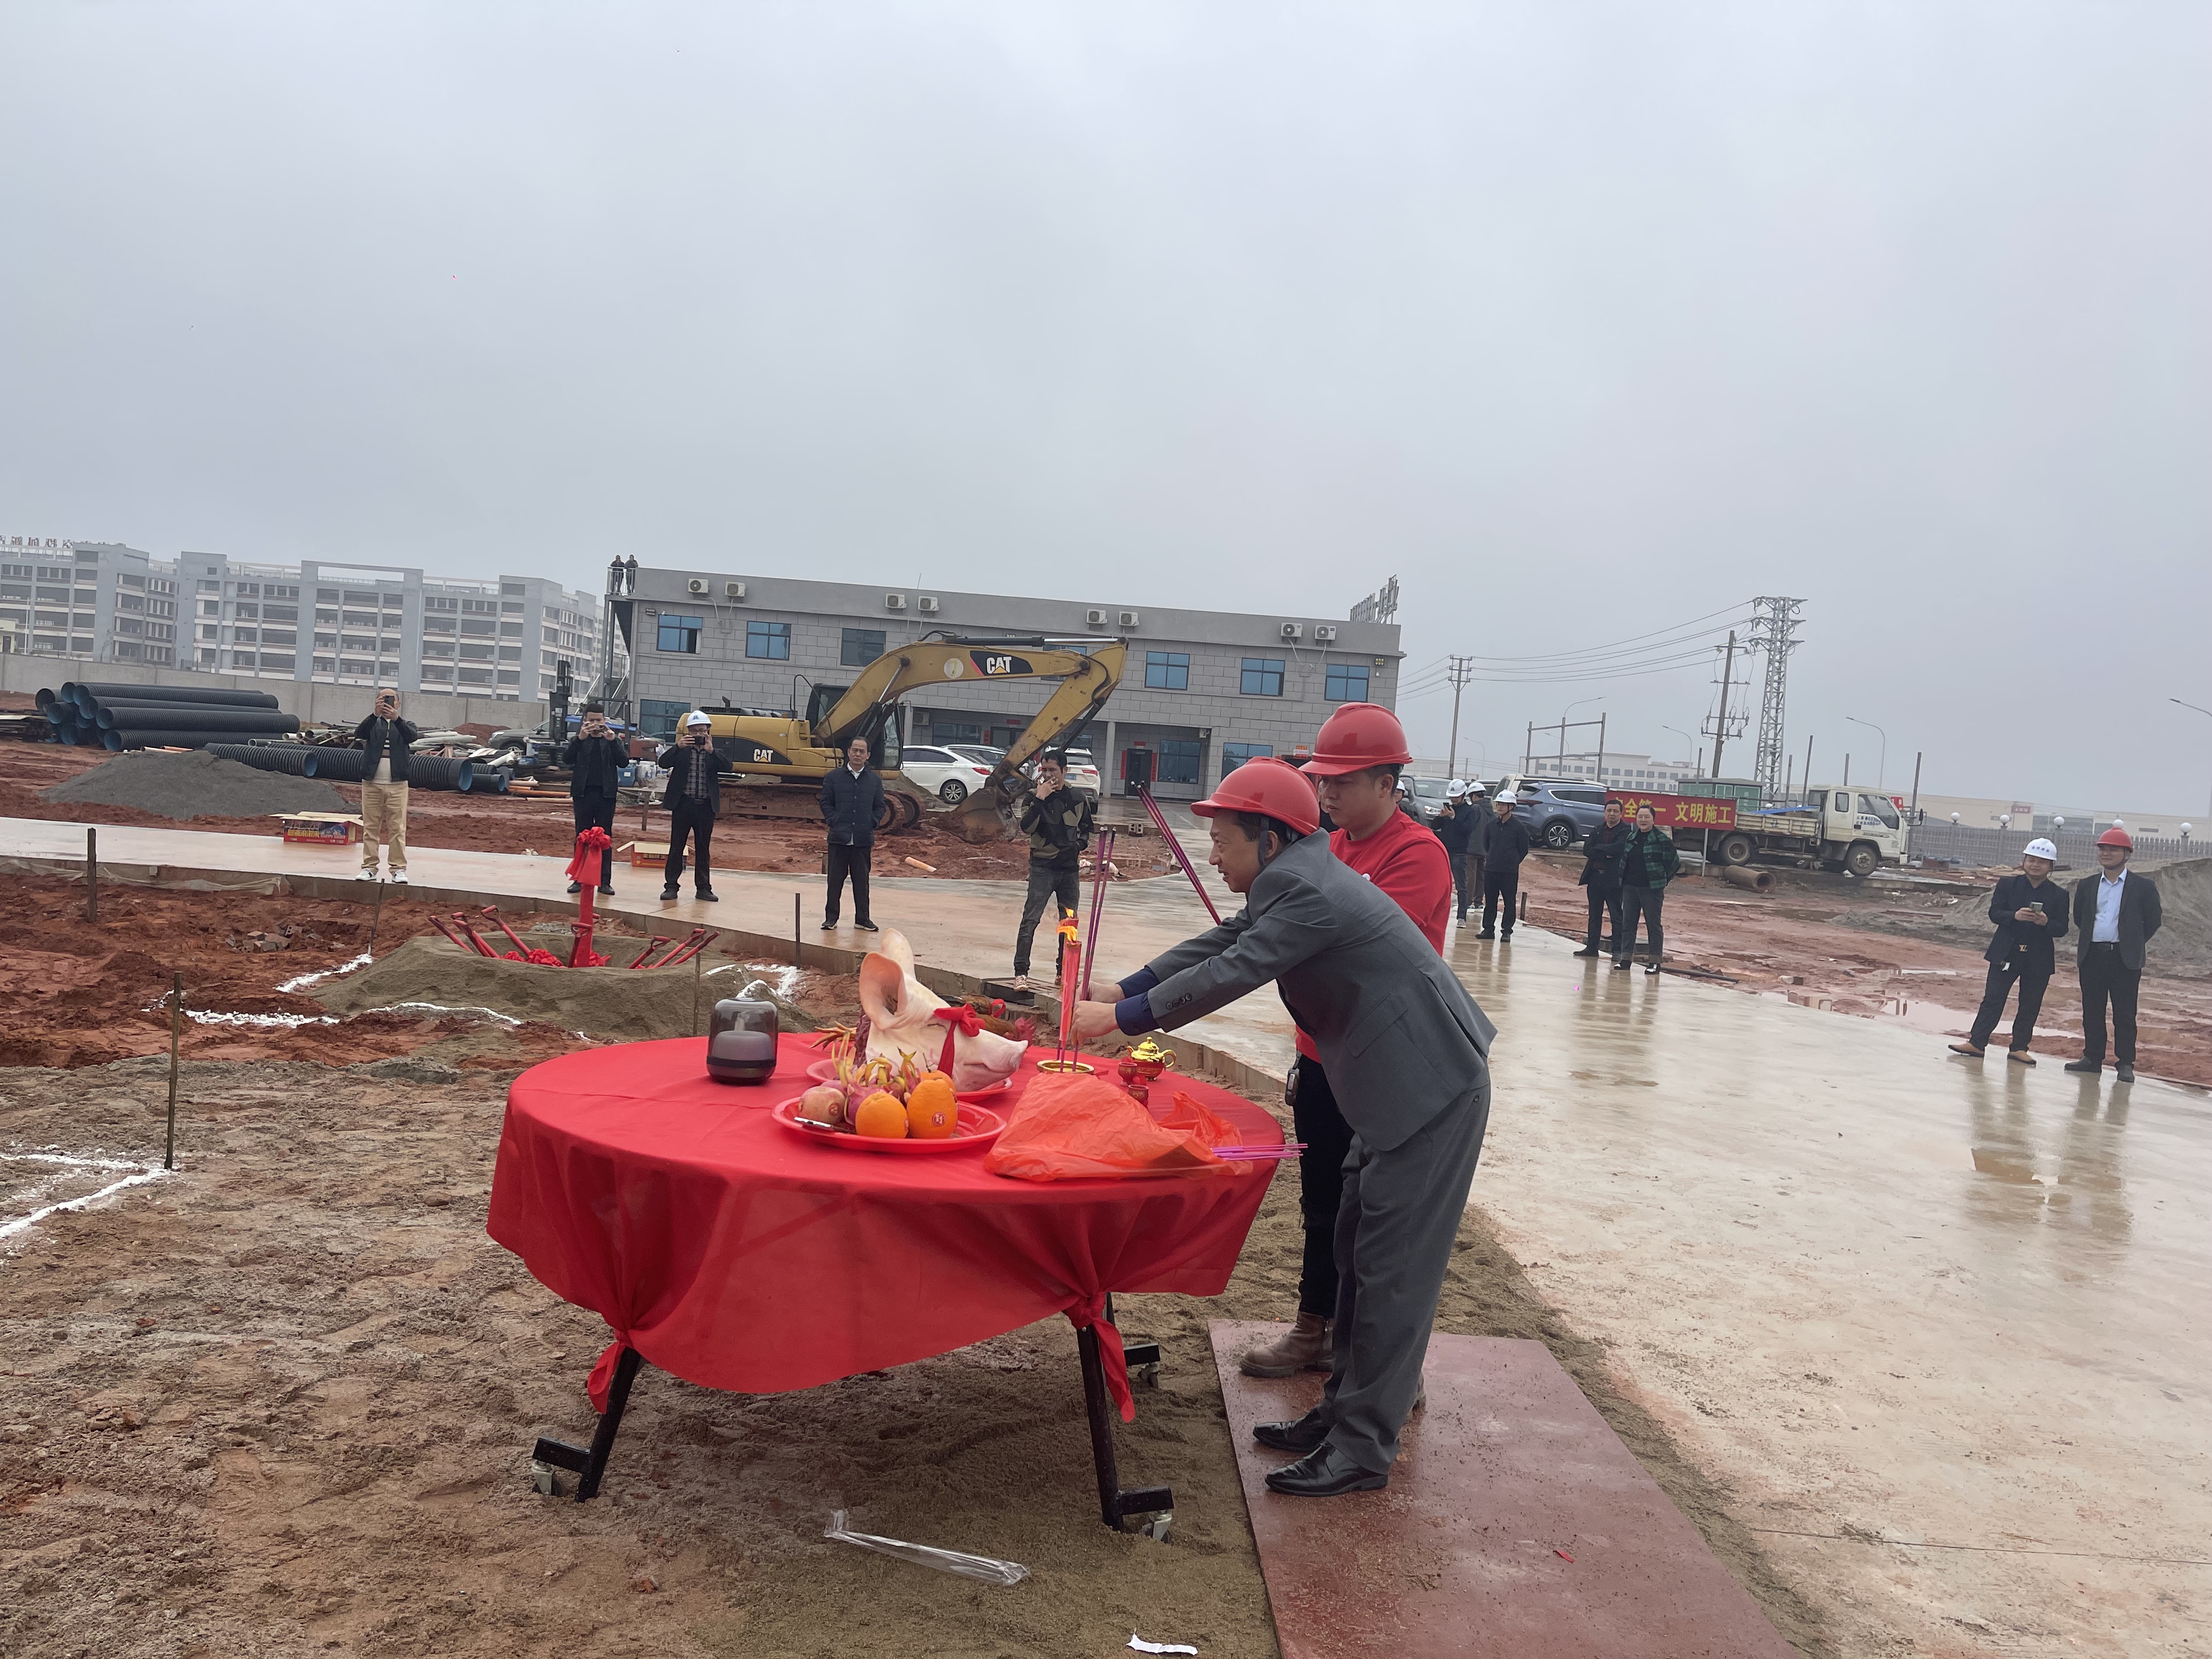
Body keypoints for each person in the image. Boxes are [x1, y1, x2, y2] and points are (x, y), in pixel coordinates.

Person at [1070, 757, 1494, 1497]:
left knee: (1392, 1277)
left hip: (1429, 1094)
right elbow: (1224, 942)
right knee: (1357, 1255)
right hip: (1391, 1091)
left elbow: (1237, 970)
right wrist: (1129, 987)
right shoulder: (1295, 875)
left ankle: (1363, 1450)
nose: (1212, 856)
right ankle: (1340, 1413)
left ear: (1269, 839)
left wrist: (1126, 1018)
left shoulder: (1306, 889)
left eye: (1224, 841)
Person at [1239, 703, 1452, 1381]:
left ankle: (1384, 1365)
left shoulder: (1418, 855)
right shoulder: (1326, 850)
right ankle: (1312, 1330)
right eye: (1321, 782)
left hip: (1385, 1067)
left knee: (1384, 1225)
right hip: (1322, 1056)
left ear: (1390, 784)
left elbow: (1354, 953)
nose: (1326, 794)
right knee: (1322, 1202)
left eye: (1344, 782)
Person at [1949, 838, 2068, 1063]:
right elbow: (1995, 913)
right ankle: (1977, 1042)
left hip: (2038, 956)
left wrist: (2045, 923)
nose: (2035, 865)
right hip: (2006, 951)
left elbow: (2062, 928)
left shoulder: (2059, 895)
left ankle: (2019, 1047)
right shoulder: (2007, 885)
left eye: (2042, 862)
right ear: (2024, 861)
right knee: (1993, 999)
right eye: (2031, 860)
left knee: (2030, 1003)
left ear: (2051, 867)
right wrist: (2014, 916)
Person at [2065, 826, 2162, 1082]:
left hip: (2124, 959)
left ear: (2127, 855)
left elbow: (2153, 921)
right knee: (2092, 1011)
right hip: (2093, 956)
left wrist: (2132, 944)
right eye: (2103, 848)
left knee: (2125, 1013)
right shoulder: (2087, 886)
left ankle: (2126, 1062)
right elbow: (2080, 919)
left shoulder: (2143, 887)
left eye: (2113, 849)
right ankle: (2092, 1058)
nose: (2106, 853)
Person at [1010, 751, 1096, 988]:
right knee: (1031, 920)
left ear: (1065, 771)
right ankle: (1021, 973)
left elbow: (1088, 829)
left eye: (1053, 770)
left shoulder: (1078, 798)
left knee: (1068, 923)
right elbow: (1026, 828)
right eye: (1044, 770)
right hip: (1042, 868)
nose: (1047, 775)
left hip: (1069, 871)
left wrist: (1078, 846)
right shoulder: (1032, 797)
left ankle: (1063, 973)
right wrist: (1040, 798)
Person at [657, 711, 729, 902]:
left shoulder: (713, 752)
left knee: (703, 848)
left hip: (706, 806)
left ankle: (704, 888)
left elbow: (729, 767)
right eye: (695, 731)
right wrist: (677, 747)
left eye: (703, 731)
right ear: (688, 732)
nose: (699, 735)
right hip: (683, 804)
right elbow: (662, 763)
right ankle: (671, 886)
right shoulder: (682, 750)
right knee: (676, 847)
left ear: (708, 732)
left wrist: (712, 750)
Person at [819, 735, 883, 932]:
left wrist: (872, 822)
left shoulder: (874, 780)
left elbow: (880, 806)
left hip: (863, 840)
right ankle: (831, 919)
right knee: (834, 881)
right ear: (848, 753)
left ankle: (862, 919)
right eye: (854, 750)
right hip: (839, 838)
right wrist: (833, 820)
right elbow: (825, 802)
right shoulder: (833, 778)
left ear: (868, 756)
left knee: (862, 883)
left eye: (862, 751)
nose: (858, 754)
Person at [353, 687, 417, 884]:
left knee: (397, 827)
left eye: (389, 700)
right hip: (372, 783)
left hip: (397, 784)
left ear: (398, 704)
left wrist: (397, 719)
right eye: (382, 700)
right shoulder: (373, 723)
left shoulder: (405, 724)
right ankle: (369, 867)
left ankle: (398, 869)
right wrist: (374, 715)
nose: (386, 703)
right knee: (371, 827)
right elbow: (359, 733)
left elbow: (412, 737)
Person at [563, 701, 625, 897]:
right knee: (581, 837)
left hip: (606, 795)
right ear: (585, 720)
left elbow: (623, 762)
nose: (595, 724)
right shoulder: (579, 739)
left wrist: (613, 741)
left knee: (605, 838)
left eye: (599, 720)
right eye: (591, 720)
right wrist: (581, 738)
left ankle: (604, 882)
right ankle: (579, 880)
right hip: (583, 794)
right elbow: (566, 759)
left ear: (604, 720)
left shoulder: (612, 740)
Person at [1614, 802, 1680, 974]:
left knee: (1653, 925)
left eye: (1647, 817)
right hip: (1630, 887)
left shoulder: (1661, 839)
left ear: (1653, 820)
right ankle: (1626, 959)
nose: (1643, 820)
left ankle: (1655, 963)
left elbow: (1674, 863)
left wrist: (1662, 880)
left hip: (1651, 889)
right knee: (1628, 924)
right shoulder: (1632, 837)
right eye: (1640, 817)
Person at [1575, 797, 1629, 958]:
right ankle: (1592, 948)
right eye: (1609, 811)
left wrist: (1599, 850)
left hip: (1613, 880)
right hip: (1595, 879)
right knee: (1594, 915)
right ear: (1605, 813)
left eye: (1615, 811)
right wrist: (1606, 854)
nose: (1612, 814)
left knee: (1616, 916)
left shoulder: (1625, 832)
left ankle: (1617, 951)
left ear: (1621, 814)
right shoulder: (1598, 830)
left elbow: (1619, 849)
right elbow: (1587, 850)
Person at [1476, 792, 1532, 940]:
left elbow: (1523, 850)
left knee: (1509, 902)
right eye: (1498, 804)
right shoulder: (1491, 826)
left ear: (1511, 807)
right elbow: (1486, 844)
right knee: (1490, 902)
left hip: (1509, 872)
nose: (1499, 807)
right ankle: (1488, 929)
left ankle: (1506, 931)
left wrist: (1513, 862)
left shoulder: (1519, 828)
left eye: (1503, 805)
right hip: (1491, 870)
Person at [1432, 781, 1480, 924]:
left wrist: (1454, 818)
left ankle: (1461, 917)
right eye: (1452, 797)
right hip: (1444, 851)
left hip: (1460, 853)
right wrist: (1441, 817)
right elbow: (1434, 826)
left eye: (1457, 797)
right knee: (1439, 884)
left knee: (1461, 886)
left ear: (1463, 795)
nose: (1454, 800)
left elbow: (1467, 829)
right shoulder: (1448, 809)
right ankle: (1436, 914)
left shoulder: (1470, 811)